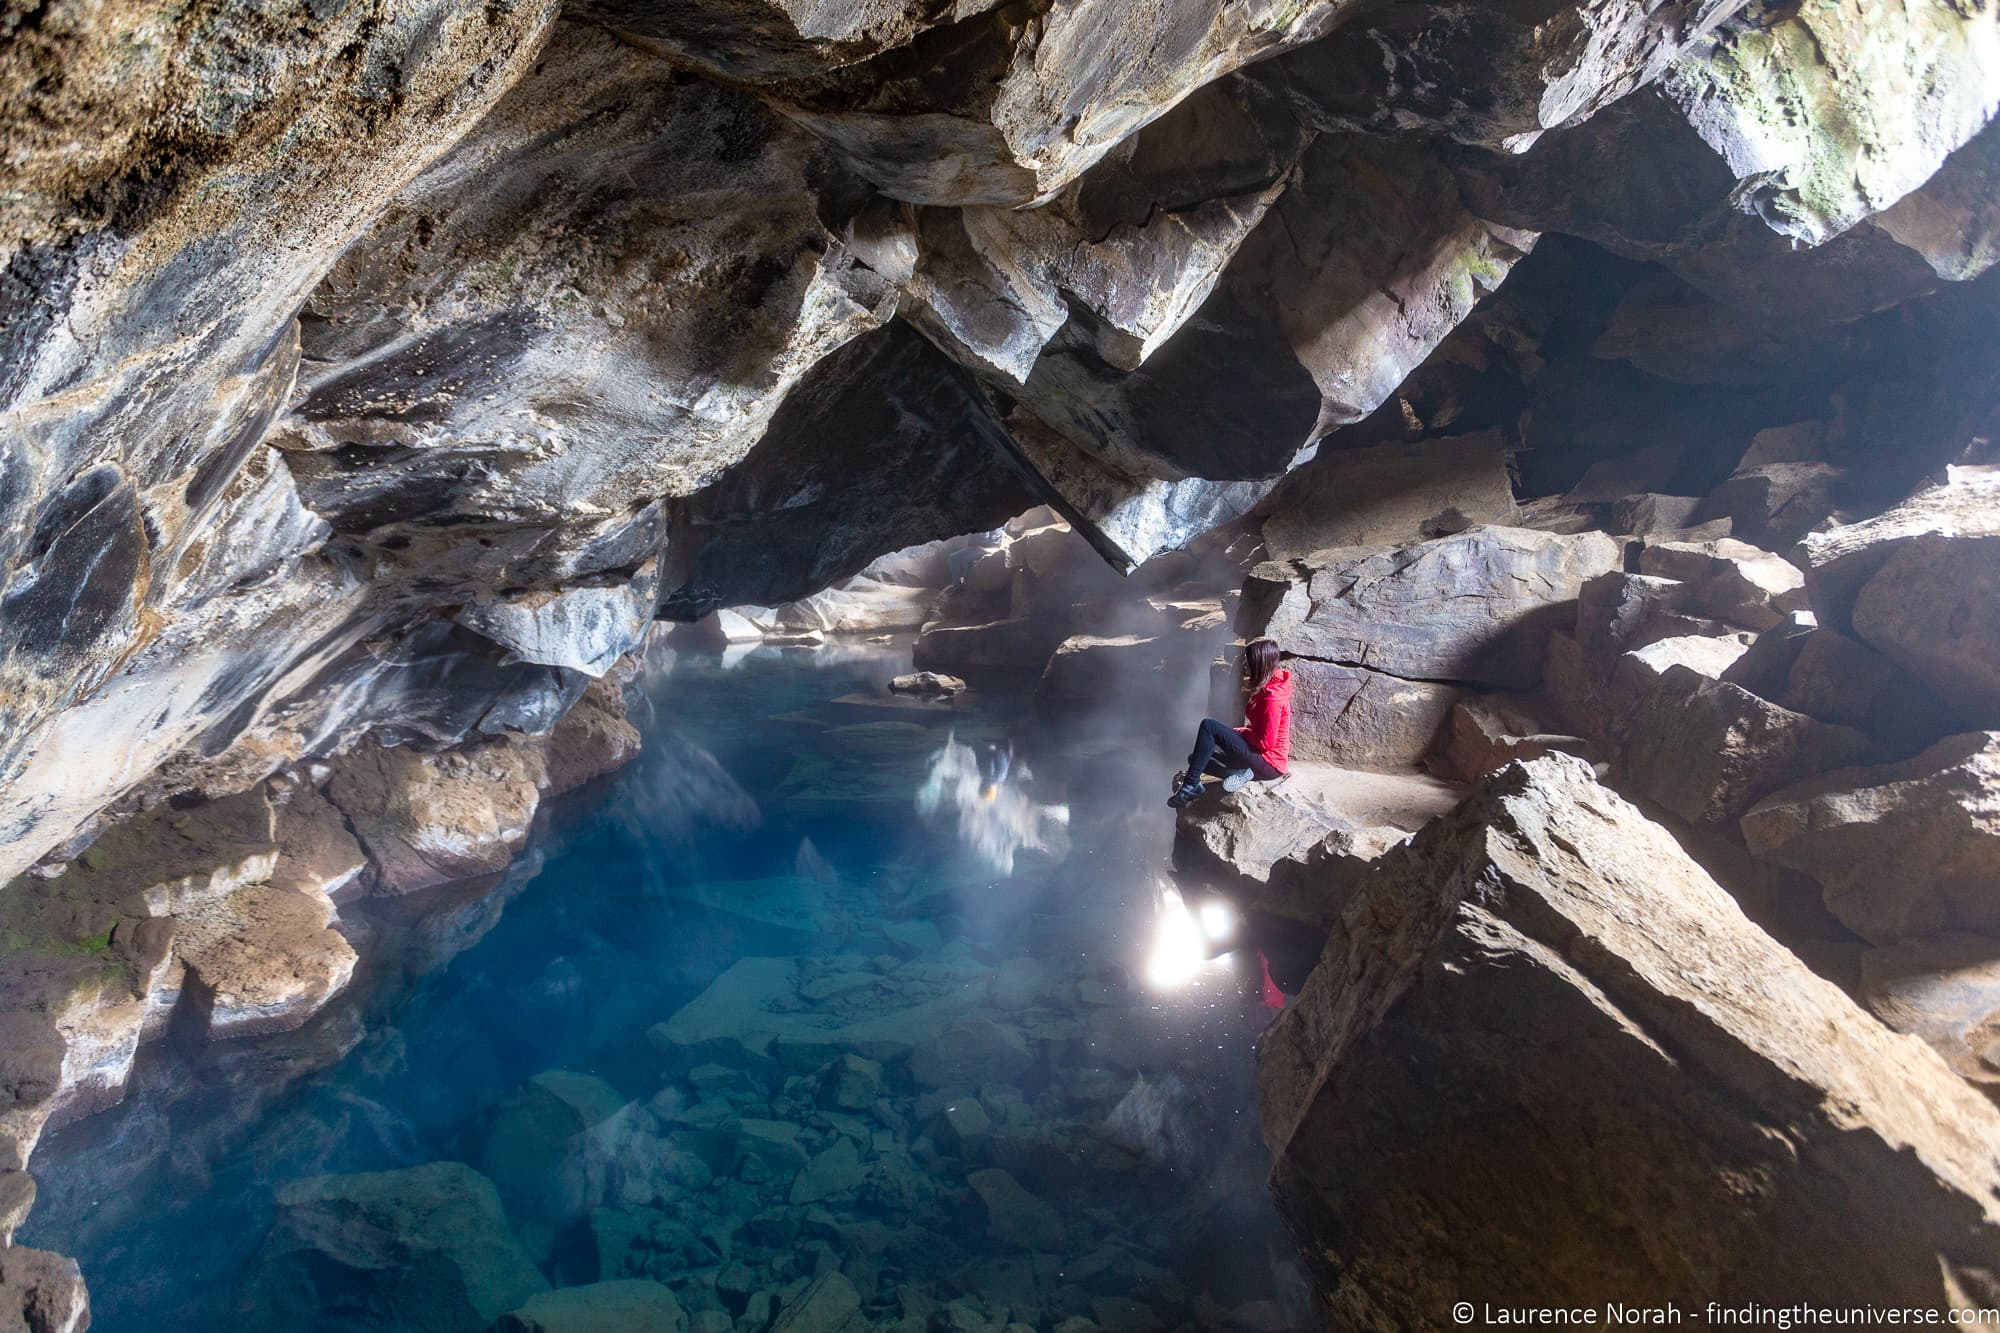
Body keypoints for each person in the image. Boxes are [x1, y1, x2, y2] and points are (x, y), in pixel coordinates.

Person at [1168, 637, 1291, 809]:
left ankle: (1191, 785)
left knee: (1208, 726)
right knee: (1196, 758)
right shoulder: (1268, 686)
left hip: (1270, 763)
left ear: (1259, 664)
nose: (1245, 666)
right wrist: (1241, 733)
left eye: (1249, 662)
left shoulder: (1272, 698)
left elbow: (1266, 743)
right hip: (1260, 758)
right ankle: (1237, 773)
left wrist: (1241, 733)